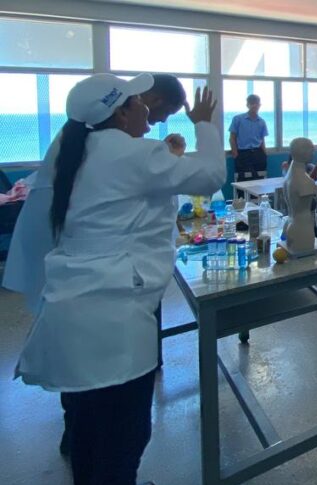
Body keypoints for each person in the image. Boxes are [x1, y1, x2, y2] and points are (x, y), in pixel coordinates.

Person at [15, 74, 225, 485]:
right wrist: (204, 127)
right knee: (120, 443)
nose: (148, 114)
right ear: (124, 112)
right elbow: (209, 174)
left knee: (87, 429)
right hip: (110, 318)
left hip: (75, 310)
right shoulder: (124, 151)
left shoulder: (75, 145)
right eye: (140, 106)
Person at [3, 74, 189, 458]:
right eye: (161, 111)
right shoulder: (110, 148)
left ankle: (82, 450)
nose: (159, 121)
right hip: (103, 279)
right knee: (115, 416)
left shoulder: (83, 139)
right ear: (141, 103)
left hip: (73, 275)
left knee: (85, 387)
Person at [229, 93, 268, 181]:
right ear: (248, 105)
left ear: (259, 105)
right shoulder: (238, 119)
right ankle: (241, 195)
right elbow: (232, 138)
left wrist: (265, 154)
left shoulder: (262, 122)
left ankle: (258, 195)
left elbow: (262, 140)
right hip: (243, 153)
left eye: (257, 103)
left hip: (258, 153)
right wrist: (235, 153)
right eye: (252, 103)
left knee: (259, 178)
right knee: (242, 179)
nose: (254, 105)